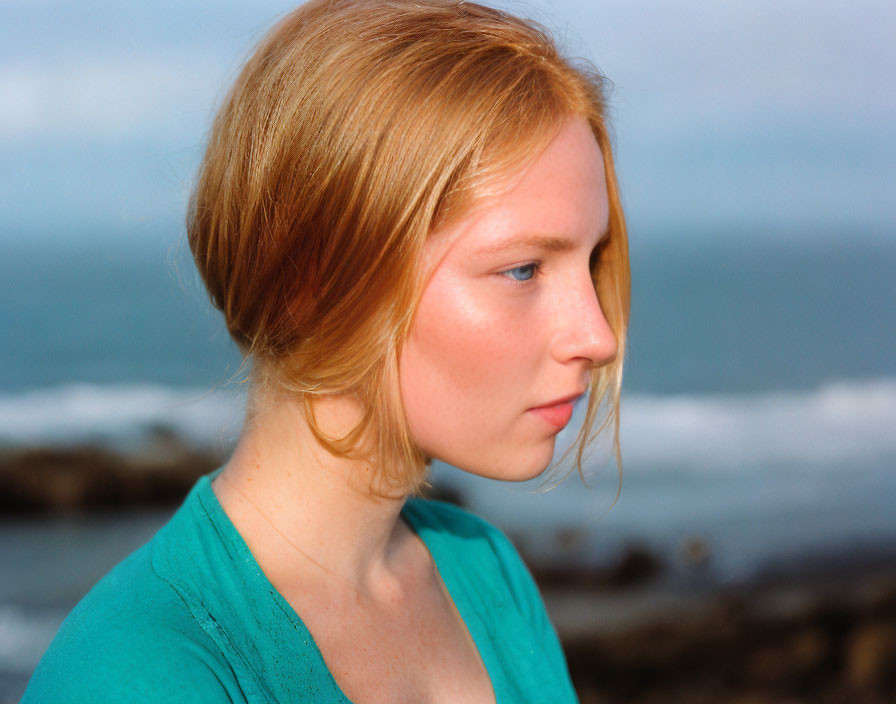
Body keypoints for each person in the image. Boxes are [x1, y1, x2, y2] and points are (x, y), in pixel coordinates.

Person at [23, 0, 629, 701]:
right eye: (523, 269)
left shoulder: (486, 576)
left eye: (594, 260)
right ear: (313, 280)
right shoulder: (142, 674)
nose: (597, 335)